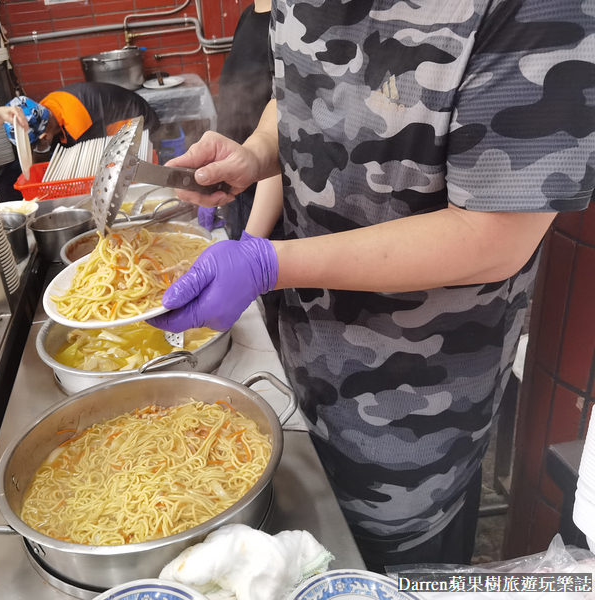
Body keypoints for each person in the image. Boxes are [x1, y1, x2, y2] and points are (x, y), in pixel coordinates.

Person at [150, 0, 594, 571]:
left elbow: (492, 237)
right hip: (298, 363)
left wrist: (269, 265)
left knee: (390, 567)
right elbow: (294, 95)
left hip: (413, 413)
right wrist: (256, 156)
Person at [214, 0, 283, 243]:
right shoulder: (248, 16)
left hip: (271, 214)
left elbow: (289, 135)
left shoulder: (290, 23)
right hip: (239, 195)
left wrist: (250, 243)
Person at [0, 82, 160, 155]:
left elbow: (94, 159)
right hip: (115, 110)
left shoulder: (78, 126)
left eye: (35, 147)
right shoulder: (47, 107)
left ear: (44, 138)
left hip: (139, 122)